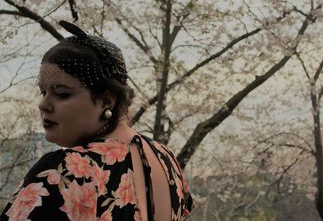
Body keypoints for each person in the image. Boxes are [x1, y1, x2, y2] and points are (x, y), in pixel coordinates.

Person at [0, 21, 193, 221]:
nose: (44, 104)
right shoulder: (165, 159)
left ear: (106, 101)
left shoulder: (63, 169)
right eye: (43, 92)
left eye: (62, 94)